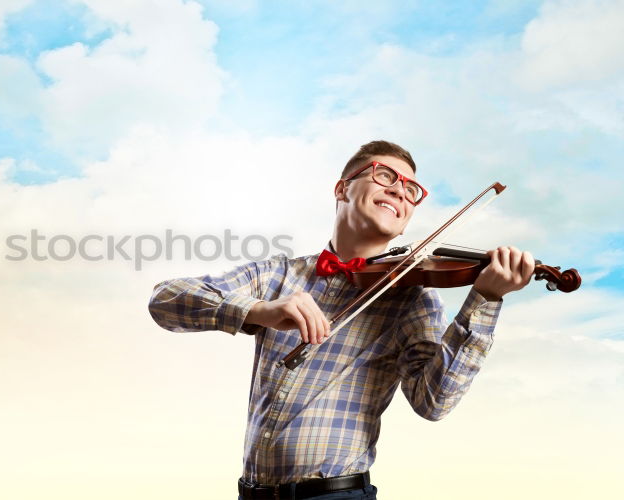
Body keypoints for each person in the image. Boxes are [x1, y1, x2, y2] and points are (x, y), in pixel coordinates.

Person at [147, 140, 535, 500]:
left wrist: (486, 298)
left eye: (411, 191)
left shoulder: (413, 299)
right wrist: (259, 310)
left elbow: (435, 402)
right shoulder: (279, 275)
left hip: (336, 496)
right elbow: (166, 300)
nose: (401, 191)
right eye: (385, 176)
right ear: (342, 189)